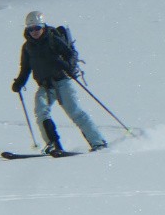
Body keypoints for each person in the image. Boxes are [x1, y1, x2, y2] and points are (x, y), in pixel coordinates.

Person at [11, 10, 108, 155]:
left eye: (37, 28)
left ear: (43, 26)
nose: (34, 32)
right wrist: (19, 82)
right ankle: (53, 144)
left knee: (75, 113)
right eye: (31, 29)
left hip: (62, 81)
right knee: (41, 112)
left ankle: (98, 142)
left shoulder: (53, 39)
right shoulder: (27, 47)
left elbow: (71, 55)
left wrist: (65, 65)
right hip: (45, 85)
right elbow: (25, 68)